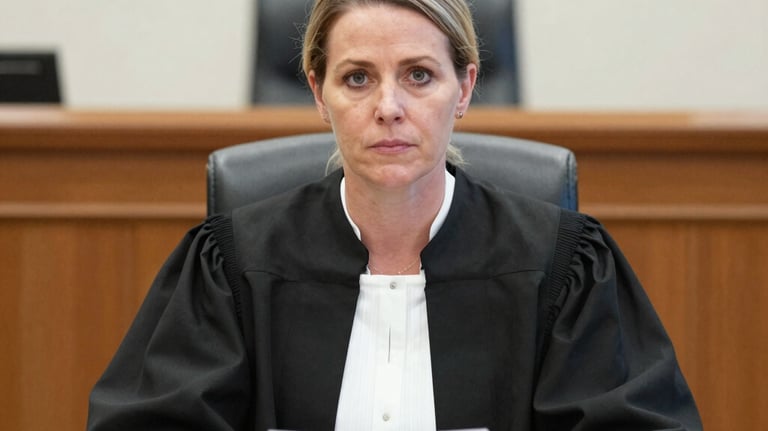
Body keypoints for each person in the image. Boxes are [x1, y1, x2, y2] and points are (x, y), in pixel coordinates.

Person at [87, 0, 703, 430]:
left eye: (419, 76)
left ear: (464, 89)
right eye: (358, 78)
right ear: (318, 92)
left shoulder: (562, 268)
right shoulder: (233, 266)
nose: (389, 107)